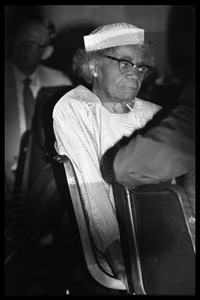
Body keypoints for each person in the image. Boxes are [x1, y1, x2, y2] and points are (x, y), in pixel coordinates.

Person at [53, 22, 161, 288]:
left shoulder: (155, 113)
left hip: (164, 238)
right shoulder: (76, 108)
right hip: (113, 246)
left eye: (141, 67)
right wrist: (121, 262)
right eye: (125, 63)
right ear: (93, 66)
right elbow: (92, 192)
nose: (135, 73)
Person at [5, 13, 73, 198]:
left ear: (46, 52)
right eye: (20, 39)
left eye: (32, 44)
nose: (22, 47)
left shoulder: (59, 81)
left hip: (43, 182)